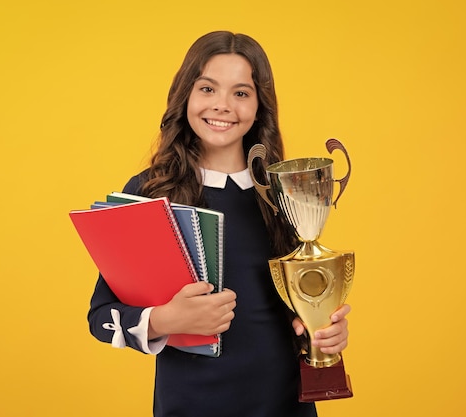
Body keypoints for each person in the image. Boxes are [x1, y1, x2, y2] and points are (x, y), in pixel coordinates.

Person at [87, 31, 351, 417]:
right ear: (185, 96)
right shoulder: (149, 192)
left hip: (285, 405)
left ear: (260, 106)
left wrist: (323, 331)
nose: (223, 106)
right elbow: (101, 317)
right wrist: (166, 319)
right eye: (208, 89)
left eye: (241, 93)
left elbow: (302, 303)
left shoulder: (285, 192)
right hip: (190, 406)